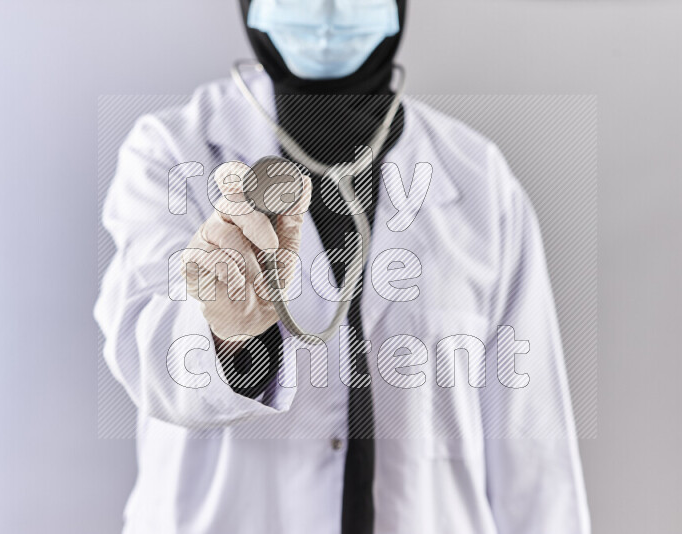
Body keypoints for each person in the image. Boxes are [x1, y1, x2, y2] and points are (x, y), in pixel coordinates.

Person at [95, 0, 591, 532]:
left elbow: (533, 452)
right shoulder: (173, 152)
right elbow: (146, 355)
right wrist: (223, 334)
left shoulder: (478, 178)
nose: (327, 5)